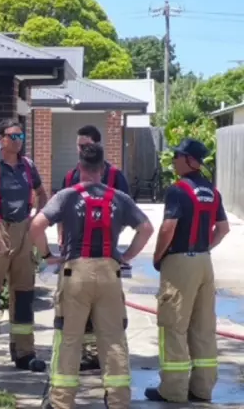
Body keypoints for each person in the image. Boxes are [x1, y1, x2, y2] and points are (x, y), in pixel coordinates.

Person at [30, 143, 154, 409]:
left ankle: (62, 401)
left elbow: (37, 225)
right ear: (103, 168)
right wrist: (126, 255)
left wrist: (46, 255)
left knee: (69, 338)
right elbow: (146, 228)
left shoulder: (66, 196)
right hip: (109, 272)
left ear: (79, 167)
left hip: (76, 271)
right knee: (113, 339)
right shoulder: (119, 198)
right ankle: (119, 401)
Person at [145, 138, 230, 404]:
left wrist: (158, 256)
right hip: (204, 262)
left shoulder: (178, 191)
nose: (174, 161)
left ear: (190, 160)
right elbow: (223, 228)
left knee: (173, 325)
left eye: (177, 156)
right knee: (203, 327)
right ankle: (202, 389)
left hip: (180, 262)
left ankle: (173, 390)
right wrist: (205, 247)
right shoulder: (212, 192)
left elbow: (168, 227)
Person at [58, 125, 132, 372]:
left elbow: (125, 212)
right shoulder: (71, 176)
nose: (80, 150)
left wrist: (118, 250)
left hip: (105, 255)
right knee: (74, 312)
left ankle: (98, 354)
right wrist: (61, 243)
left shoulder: (115, 177)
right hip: (75, 257)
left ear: (97, 147)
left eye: (85, 146)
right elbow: (59, 214)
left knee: (105, 312)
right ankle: (84, 354)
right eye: (78, 146)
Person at [0, 119, 49, 373]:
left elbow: (42, 193)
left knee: (24, 294)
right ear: (0, 139)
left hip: (23, 231)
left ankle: (24, 352)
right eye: (13, 136)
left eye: (21, 137)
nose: (18, 141)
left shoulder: (28, 166)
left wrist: (36, 220)